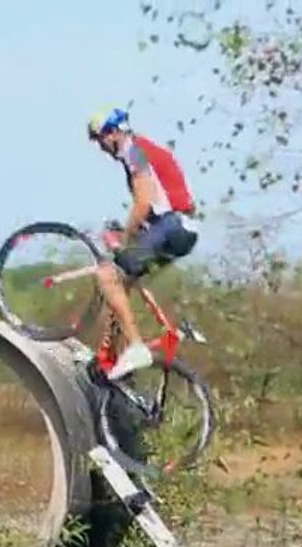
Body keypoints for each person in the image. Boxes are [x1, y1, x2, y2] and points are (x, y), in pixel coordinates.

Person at [86, 106, 200, 380]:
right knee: (123, 279)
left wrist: (124, 239)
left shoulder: (133, 152)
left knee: (107, 275)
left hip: (171, 228)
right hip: (182, 231)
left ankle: (136, 347)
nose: (100, 147)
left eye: (100, 139)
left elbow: (143, 202)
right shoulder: (145, 149)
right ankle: (110, 354)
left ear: (113, 133)